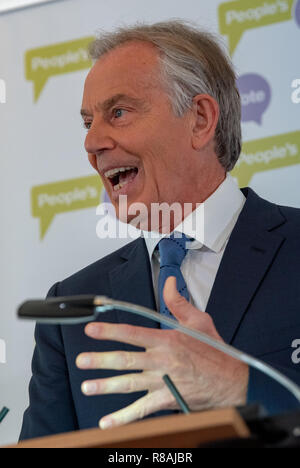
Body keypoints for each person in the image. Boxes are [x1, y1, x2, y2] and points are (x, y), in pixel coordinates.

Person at [20, 20, 300, 440]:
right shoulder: (71, 310)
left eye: (118, 112)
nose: (92, 142)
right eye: (87, 123)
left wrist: (241, 386)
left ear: (200, 119)